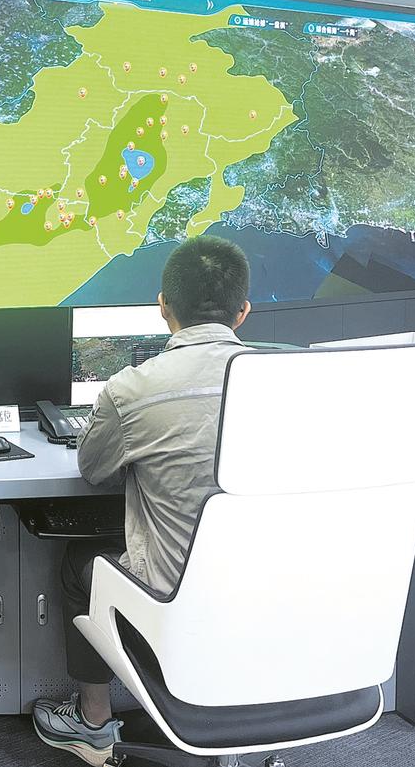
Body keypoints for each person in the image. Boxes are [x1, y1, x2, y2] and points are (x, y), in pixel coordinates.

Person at [32, 236, 252, 765]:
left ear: (163, 307)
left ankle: (93, 723)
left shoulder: (132, 389)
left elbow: (92, 470)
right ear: (242, 312)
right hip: (271, 586)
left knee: (80, 561)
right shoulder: (295, 386)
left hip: (173, 595)